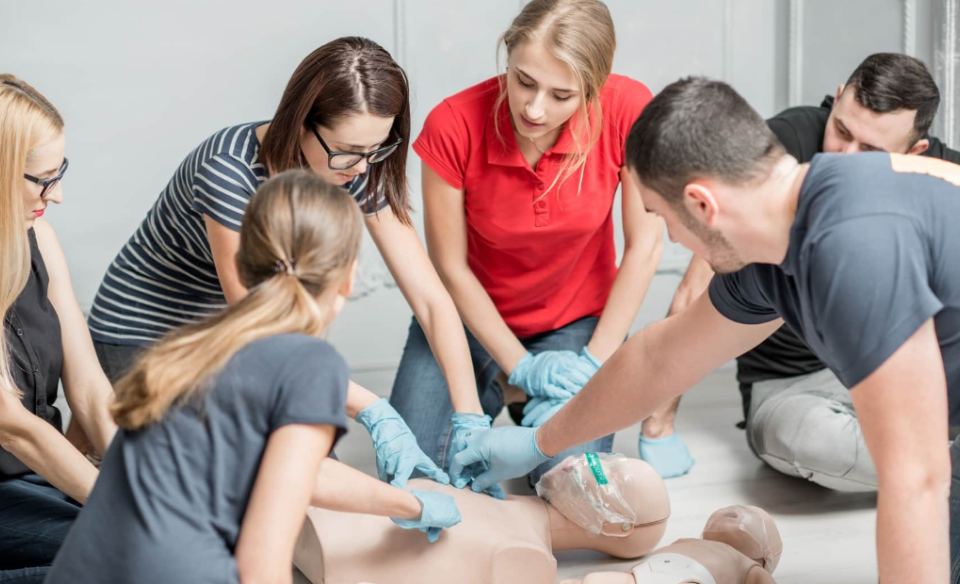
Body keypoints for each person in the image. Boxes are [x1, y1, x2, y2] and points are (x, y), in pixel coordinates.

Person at [453, 77, 960, 583]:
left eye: (661, 216)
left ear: (701, 205)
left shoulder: (852, 241)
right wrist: (537, 442)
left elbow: (916, 478)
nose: (672, 239)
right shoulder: (773, 254)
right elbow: (658, 360)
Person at [86, 36, 468, 488]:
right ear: (301, 122)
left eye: (376, 149)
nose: (363, 168)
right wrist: (373, 409)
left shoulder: (351, 163)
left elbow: (429, 299)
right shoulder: (228, 171)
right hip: (151, 334)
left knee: (308, 454)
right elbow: (261, 338)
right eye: (349, 150)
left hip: (241, 333)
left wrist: (471, 419)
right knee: (236, 478)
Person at [46, 171, 461, 584]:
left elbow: (301, 473)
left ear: (242, 265)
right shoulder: (310, 366)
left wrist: (410, 504)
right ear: (348, 276)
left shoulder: (193, 343)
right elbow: (261, 562)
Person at [642, 52, 960, 483]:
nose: (844, 156)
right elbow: (696, 286)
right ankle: (932, 459)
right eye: (842, 130)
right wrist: (658, 425)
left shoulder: (939, 173)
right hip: (795, 384)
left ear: (914, 150)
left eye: (869, 150)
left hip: (898, 376)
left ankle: (928, 460)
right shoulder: (781, 151)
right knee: (803, 437)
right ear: (838, 97)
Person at [389, 0, 663, 492]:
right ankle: (509, 384)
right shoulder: (453, 124)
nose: (535, 109)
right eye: (524, 81)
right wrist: (521, 364)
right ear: (508, 56)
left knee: (568, 482)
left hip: (576, 327)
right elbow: (450, 268)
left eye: (562, 95)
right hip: (469, 321)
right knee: (420, 473)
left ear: (596, 86)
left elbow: (644, 246)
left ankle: (516, 394)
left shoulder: (627, 108)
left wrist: (593, 365)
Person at [0, 75, 117, 583]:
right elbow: (11, 426)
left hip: (33, 476)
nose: (59, 194)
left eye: (59, 171)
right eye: (43, 178)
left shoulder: (39, 238)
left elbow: (90, 390)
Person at [294, 454, 670, 584]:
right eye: (610, 458)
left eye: (613, 477)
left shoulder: (527, 557)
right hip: (305, 508)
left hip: (316, 546)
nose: (593, 461)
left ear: (619, 525)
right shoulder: (494, 494)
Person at [560, 505, 782, 584]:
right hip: (689, 577)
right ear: (763, 557)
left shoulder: (687, 542)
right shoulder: (747, 566)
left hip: (645, 571)